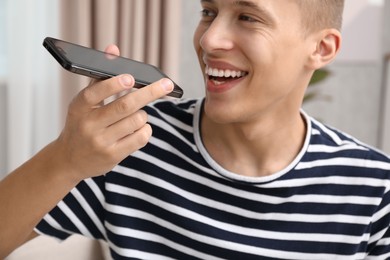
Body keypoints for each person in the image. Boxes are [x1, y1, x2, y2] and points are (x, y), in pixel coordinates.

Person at [1, 0, 390, 259]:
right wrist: (64, 160)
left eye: (248, 16)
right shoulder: (131, 144)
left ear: (321, 49)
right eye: (208, 11)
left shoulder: (375, 191)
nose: (208, 39)